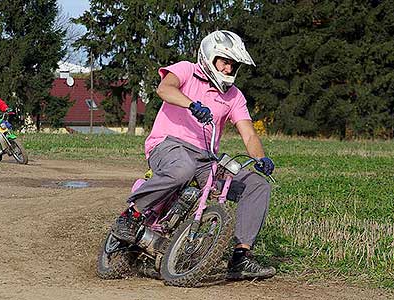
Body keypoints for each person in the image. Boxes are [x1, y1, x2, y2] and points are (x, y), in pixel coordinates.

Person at [113, 30, 276, 280]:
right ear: (210, 56)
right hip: (168, 146)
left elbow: (249, 134)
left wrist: (260, 158)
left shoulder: (234, 96)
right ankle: (132, 214)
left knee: (256, 185)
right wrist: (191, 104)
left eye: (233, 64)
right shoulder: (187, 70)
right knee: (182, 169)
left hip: (206, 158)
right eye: (224, 60)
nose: (228, 67)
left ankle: (241, 257)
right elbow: (164, 89)